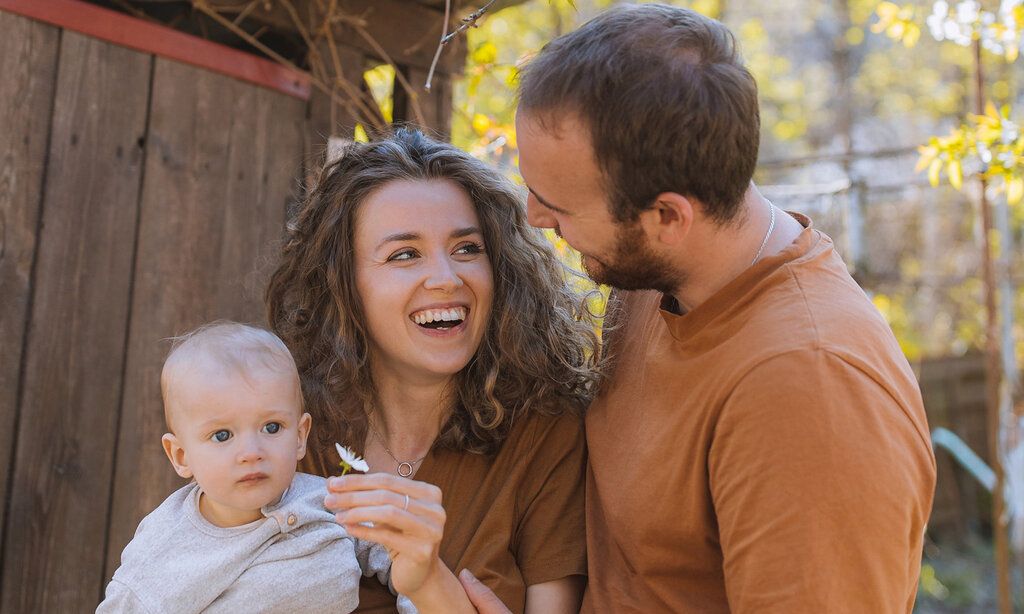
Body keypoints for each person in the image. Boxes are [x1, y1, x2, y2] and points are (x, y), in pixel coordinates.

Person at [460, 4, 937, 613]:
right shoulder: (655, 279)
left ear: (667, 217)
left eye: (560, 205)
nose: (534, 215)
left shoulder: (807, 389)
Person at [265, 129, 599, 613]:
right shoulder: (281, 425)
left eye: (467, 248)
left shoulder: (545, 430)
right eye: (405, 254)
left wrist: (431, 585)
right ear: (343, 282)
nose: (447, 278)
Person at [98, 321, 413, 613]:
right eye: (222, 435)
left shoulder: (329, 502)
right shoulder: (164, 547)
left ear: (300, 436)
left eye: (272, 427)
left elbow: (406, 564)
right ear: (181, 456)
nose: (251, 452)